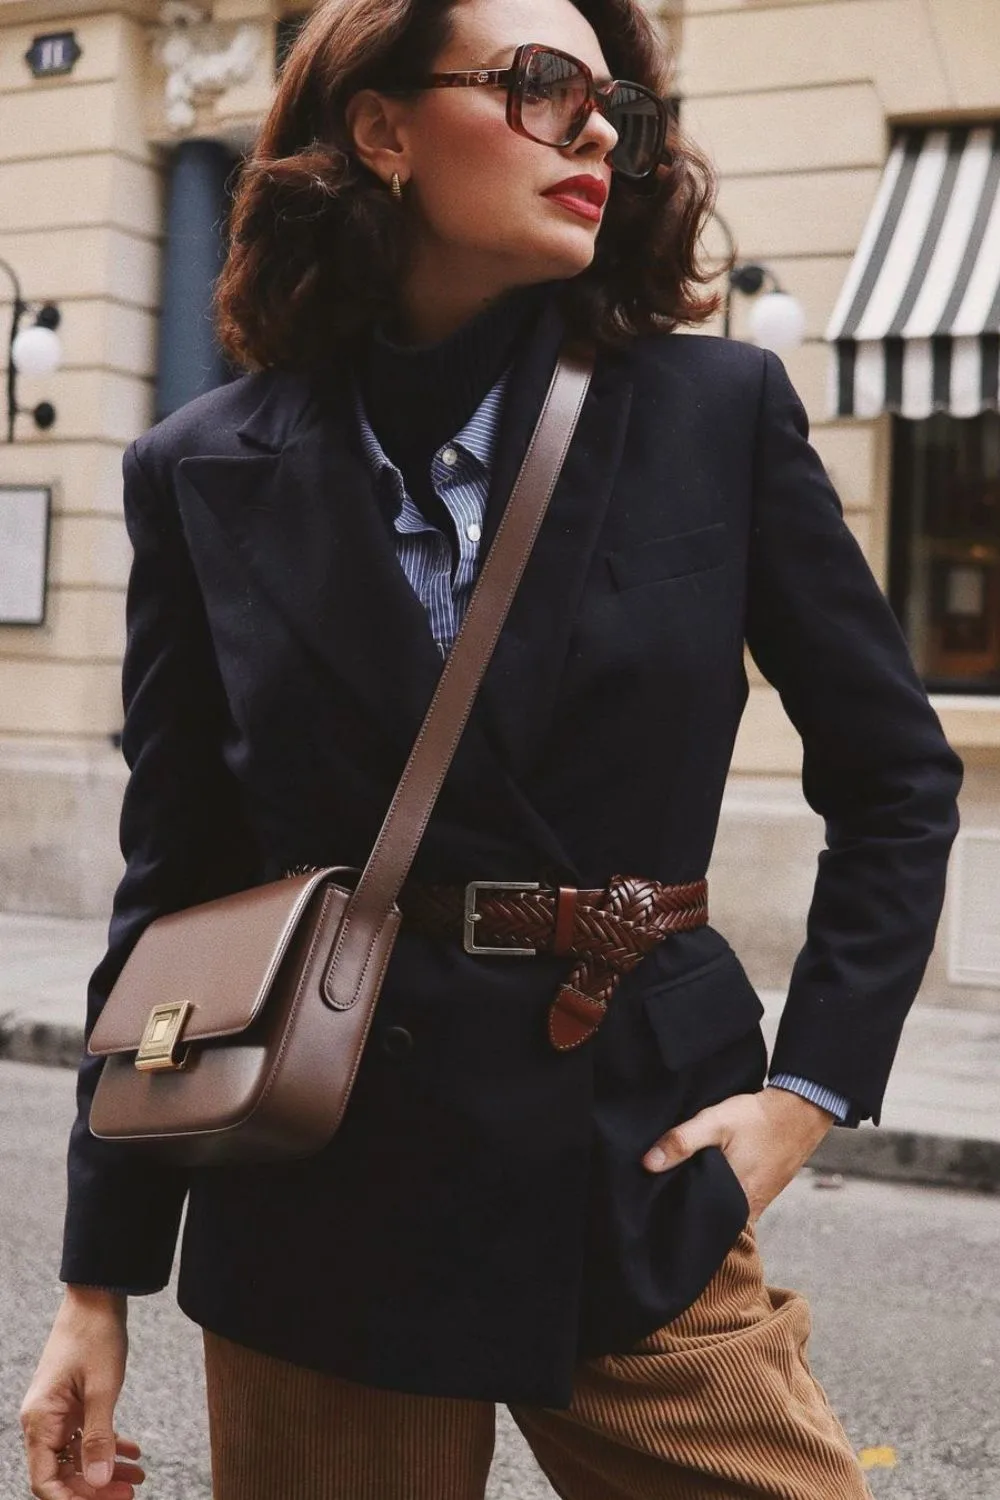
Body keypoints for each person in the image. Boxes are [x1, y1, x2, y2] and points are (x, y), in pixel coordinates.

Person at [21, 0, 963, 1495]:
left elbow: (898, 780)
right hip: (319, 1186)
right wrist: (96, 1282)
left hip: (637, 1166)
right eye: (538, 85)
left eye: (612, 104)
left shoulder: (714, 414)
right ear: (383, 130)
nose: (594, 126)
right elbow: (177, 887)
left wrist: (809, 1098)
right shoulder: (200, 468)